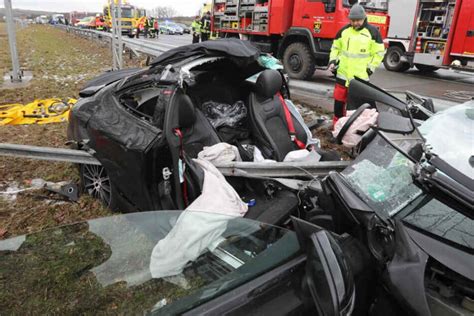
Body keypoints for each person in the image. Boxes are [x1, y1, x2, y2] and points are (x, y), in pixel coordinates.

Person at [328, 4, 385, 126]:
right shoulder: (344, 32)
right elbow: (335, 48)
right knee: (338, 104)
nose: (355, 23)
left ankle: (352, 131)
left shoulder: (373, 32)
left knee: (355, 108)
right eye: (352, 20)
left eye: (358, 20)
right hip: (342, 77)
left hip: (360, 79)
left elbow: (379, 53)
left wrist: (370, 68)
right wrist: (333, 61)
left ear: (364, 18)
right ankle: (337, 127)